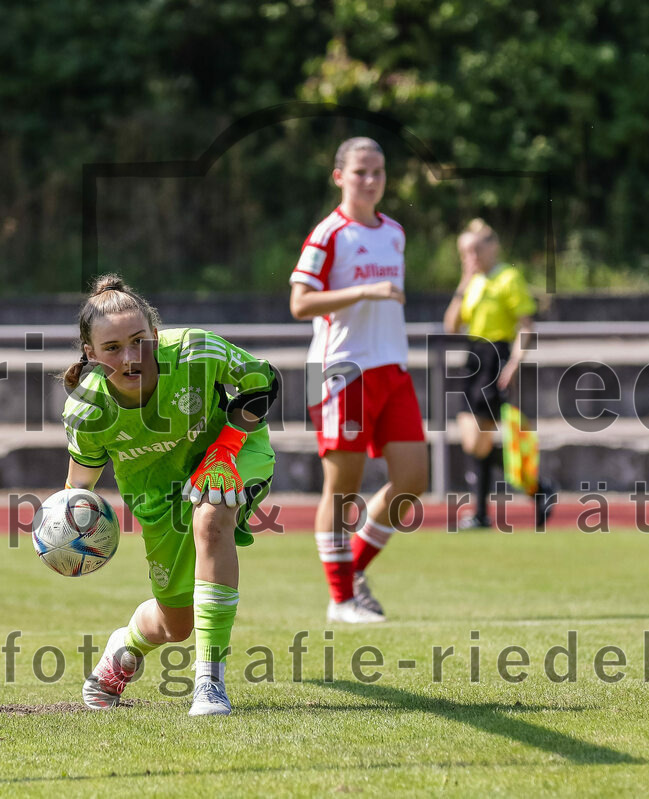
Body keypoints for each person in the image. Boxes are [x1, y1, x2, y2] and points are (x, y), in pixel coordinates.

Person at [62, 274, 278, 717]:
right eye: (112, 348)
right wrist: (67, 533)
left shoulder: (198, 350)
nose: (130, 357)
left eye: (139, 341)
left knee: (211, 516)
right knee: (174, 624)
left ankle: (209, 683)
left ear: (155, 335)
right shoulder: (86, 410)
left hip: (234, 451)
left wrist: (225, 447)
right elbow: (78, 487)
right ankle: (125, 647)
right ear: (90, 354)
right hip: (158, 497)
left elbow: (264, 380)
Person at [289, 137, 428, 624]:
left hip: (392, 368)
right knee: (342, 490)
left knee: (413, 480)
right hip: (339, 371)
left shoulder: (394, 232)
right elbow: (300, 303)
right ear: (339, 177)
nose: (371, 181)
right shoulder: (330, 233)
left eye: (378, 172)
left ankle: (351, 575)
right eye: (361, 172)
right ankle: (342, 600)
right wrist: (365, 289)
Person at [442, 219, 556, 529]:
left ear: (492, 247)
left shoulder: (508, 277)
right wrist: (462, 286)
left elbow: (526, 325)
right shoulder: (472, 282)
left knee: (482, 439)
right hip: (473, 358)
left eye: (475, 250)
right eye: (465, 253)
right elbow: (450, 326)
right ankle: (536, 488)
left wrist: (514, 363)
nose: (471, 258)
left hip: (496, 357)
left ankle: (485, 511)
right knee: (473, 442)